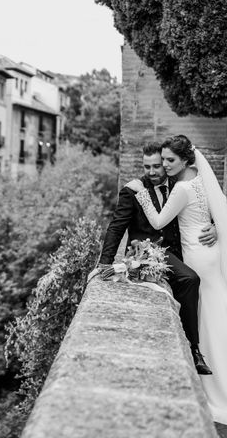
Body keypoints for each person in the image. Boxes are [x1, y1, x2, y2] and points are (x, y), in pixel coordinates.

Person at [92, 141, 216, 377]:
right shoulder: (132, 189)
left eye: (157, 166)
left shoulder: (179, 184)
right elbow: (116, 227)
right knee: (189, 279)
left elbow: (202, 209)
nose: (152, 172)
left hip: (184, 250)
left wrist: (216, 226)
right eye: (147, 166)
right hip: (148, 252)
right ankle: (194, 350)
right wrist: (104, 263)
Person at [125, 135, 227, 424]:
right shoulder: (200, 178)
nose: (165, 165)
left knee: (207, 316)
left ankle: (216, 389)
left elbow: (158, 222)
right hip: (211, 251)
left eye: (170, 160)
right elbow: (222, 204)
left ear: (185, 160)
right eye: (164, 159)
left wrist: (139, 192)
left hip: (198, 254)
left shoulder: (182, 187)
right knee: (217, 310)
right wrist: (217, 226)